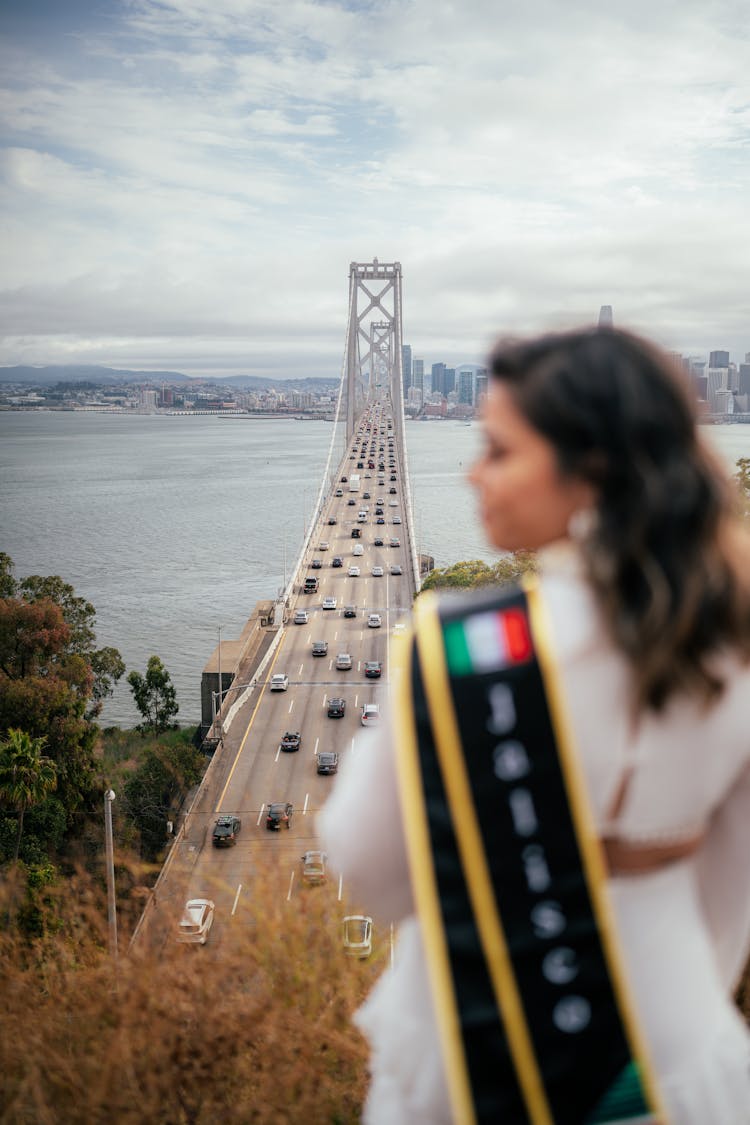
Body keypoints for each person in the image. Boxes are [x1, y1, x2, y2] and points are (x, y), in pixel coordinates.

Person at [319, 326, 750, 1124]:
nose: (471, 470)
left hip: (464, 1069)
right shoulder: (735, 644)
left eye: (498, 448)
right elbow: (735, 885)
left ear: (585, 469)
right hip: (681, 1067)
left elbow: (371, 871)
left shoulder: (454, 654)